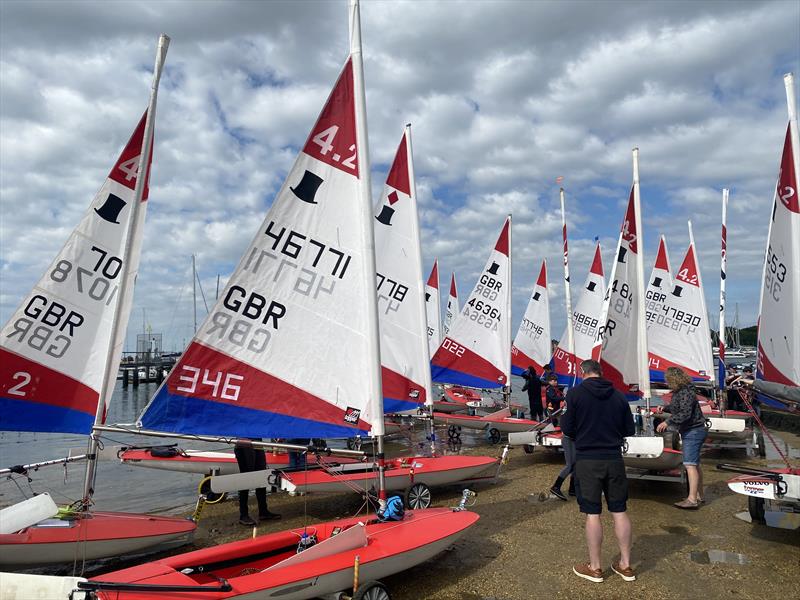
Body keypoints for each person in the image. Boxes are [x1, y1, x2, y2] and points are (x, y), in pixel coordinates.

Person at [560, 359, 636, 583]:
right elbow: (629, 429)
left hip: (587, 459)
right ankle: (626, 565)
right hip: (613, 458)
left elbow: (567, 428)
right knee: (619, 510)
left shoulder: (574, 395)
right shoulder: (619, 395)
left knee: (593, 513)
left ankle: (595, 568)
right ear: (600, 373)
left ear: (582, 372)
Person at [655, 366, 707, 509]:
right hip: (694, 430)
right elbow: (679, 407)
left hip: (693, 431)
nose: (667, 382)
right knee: (695, 464)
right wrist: (665, 408)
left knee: (689, 464)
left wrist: (667, 421)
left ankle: (692, 499)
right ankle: (699, 495)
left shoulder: (685, 392)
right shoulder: (684, 391)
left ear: (673, 379)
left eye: (668, 379)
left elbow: (685, 413)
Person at [234, 440, 281, 525]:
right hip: (244, 445)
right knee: (246, 479)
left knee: (261, 478)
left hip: (258, 445)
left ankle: (263, 512)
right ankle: (243, 515)